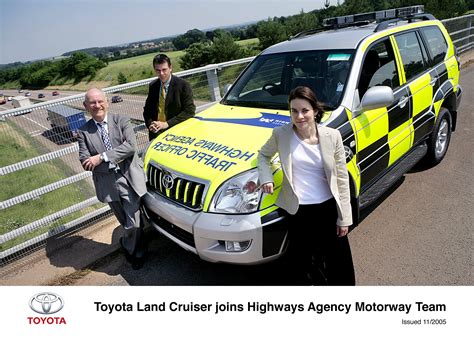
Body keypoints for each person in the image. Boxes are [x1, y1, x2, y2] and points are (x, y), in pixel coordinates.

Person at [257, 86, 355, 285]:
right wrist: (265, 177)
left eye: (304, 110)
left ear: (315, 111)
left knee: (339, 261)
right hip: (298, 210)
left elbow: (342, 180)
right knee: (300, 263)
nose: (299, 116)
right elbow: (263, 155)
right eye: (294, 111)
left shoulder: (332, 136)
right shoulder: (281, 134)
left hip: (327, 207)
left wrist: (344, 218)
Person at [78, 88, 148, 269]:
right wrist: (96, 159)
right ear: (86, 106)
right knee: (124, 220)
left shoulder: (122, 120)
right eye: (92, 103)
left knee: (133, 221)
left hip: (128, 177)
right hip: (107, 182)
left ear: (107, 102)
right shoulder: (84, 132)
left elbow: (131, 147)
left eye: (100, 101)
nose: (97, 105)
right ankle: (131, 245)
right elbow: (85, 162)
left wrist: (100, 157)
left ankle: (134, 252)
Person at [143, 54, 196, 141]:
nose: (161, 74)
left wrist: (166, 124)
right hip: (156, 134)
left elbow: (189, 111)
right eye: (158, 70)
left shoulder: (183, 85)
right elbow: (147, 110)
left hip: (177, 133)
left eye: (164, 70)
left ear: (170, 68)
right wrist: (150, 125)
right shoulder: (153, 86)